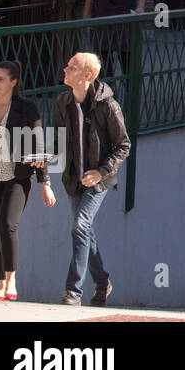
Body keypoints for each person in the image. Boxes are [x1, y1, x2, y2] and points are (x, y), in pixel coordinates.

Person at [0, 61, 56, 302]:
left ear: (13, 82)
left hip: (17, 175)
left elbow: (37, 144)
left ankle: (12, 279)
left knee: (7, 225)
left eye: (1, 79)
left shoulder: (26, 108)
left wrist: (44, 182)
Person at [54, 53, 131, 306]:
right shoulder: (62, 102)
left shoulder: (107, 106)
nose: (66, 69)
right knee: (85, 230)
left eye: (72, 67)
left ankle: (73, 291)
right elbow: (58, 141)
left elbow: (123, 145)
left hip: (99, 179)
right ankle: (102, 283)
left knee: (79, 226)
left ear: (87, 76)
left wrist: (101, 172)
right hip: (74, 179)